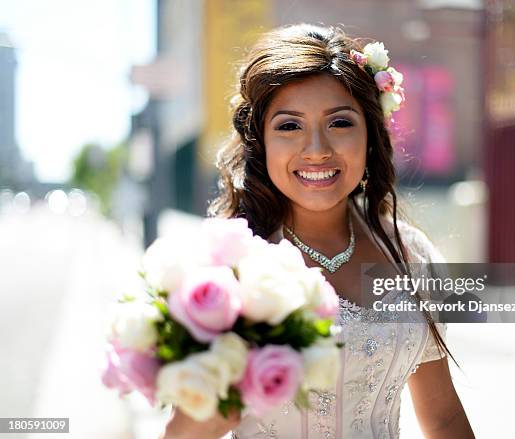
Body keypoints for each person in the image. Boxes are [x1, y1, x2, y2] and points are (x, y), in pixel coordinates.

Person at [160, 23, 474, 439]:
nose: (317, 149)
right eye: (289, 126)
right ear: (260, 141)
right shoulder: (225, 270)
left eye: (340, 123)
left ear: (370, 133)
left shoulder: (410, 254)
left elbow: (443, 417)